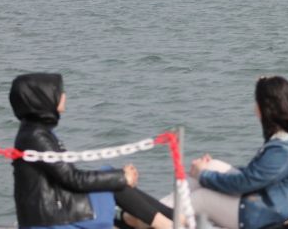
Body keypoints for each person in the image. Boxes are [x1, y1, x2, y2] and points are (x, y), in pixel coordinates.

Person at [10, 73, 173, 229]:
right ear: (43, 98)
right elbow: (72, 178)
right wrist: (121, 177)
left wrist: (118, 177)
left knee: (112, 178)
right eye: (59, 91)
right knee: (115, 182)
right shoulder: (36, 137)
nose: (64, 95)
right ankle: (170, 224)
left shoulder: (36, 132)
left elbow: (66, 179)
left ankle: (165, 218)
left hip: (52, 212)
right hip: (50, 221)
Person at [184, 76, 288, 229]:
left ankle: (160, 219)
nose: (254, 108)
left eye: (257, 102)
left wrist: (203, 175)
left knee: (201, 198)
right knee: (212, 166)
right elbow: (257, 175)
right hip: (280, 206)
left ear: (265, 108)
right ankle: (160, 215)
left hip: (278, 219)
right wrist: (204, 172)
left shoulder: (283, 151)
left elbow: (246, 182)